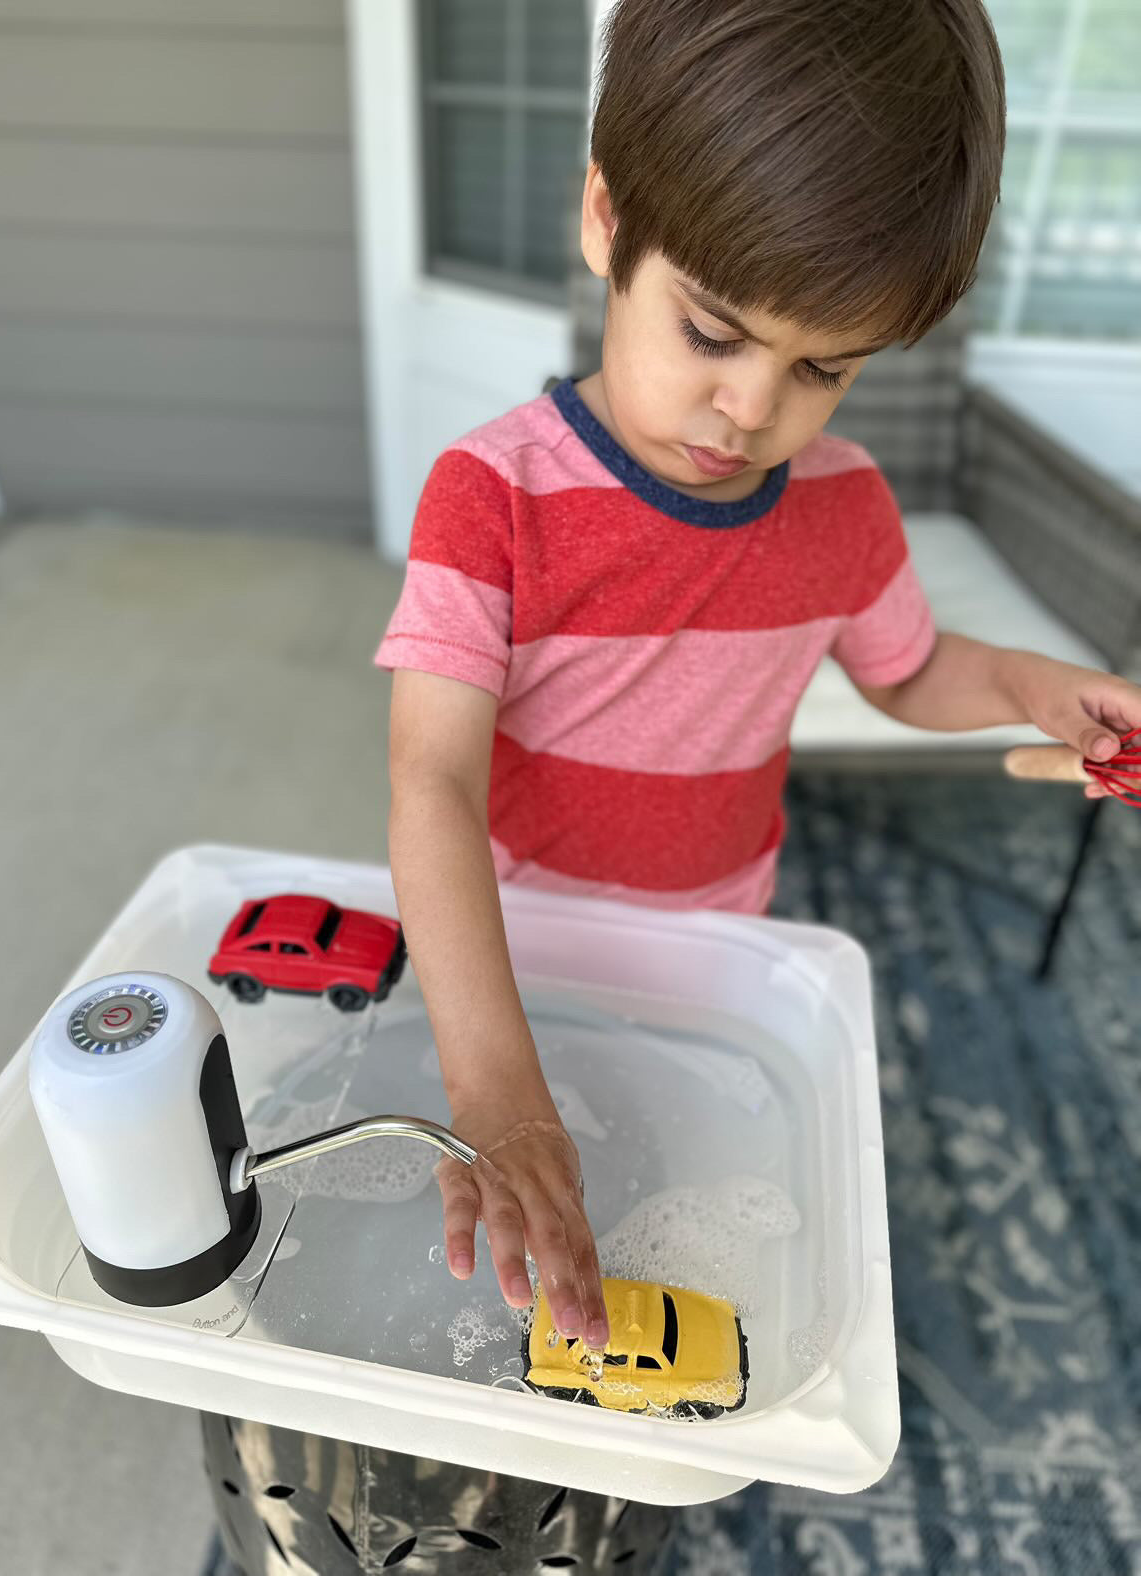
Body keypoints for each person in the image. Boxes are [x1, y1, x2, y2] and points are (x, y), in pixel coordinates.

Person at [374, 0, 1140, 1354]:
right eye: (713, 333)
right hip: (516, 947)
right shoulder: (489, 497)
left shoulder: (842, 510)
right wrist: (492, 1082)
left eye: (821, 367)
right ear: (607, 224)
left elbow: (912, 676)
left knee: (662, 1208)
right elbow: (428, 773)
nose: (751, 410)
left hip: (720, 935)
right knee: (505, 1250)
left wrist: (1031, 683)